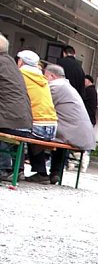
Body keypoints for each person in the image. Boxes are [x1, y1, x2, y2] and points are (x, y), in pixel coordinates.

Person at [43, 64, 96, 183]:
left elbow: (43, 105)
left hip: (71, 132)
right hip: (79, 132)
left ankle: (40, 170)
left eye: (45, 76)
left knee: (37, 134)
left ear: (52, 76)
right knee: (57, 136)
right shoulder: (68, 86)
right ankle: (55, 172)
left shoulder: (55, 86)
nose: (44, 79)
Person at [17, 49, 58, 181]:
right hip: (51, 126)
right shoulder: (42, 78)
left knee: (14, 130)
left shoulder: (21, 75)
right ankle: (41, 173)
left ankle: (15, 170)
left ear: (21, 62)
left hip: (37, 125)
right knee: (31, 133)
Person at [0, 33, 32, 181]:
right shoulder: (10, 63)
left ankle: (3, 169)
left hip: (11, 121)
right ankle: (18, 169)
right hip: (24, 121)